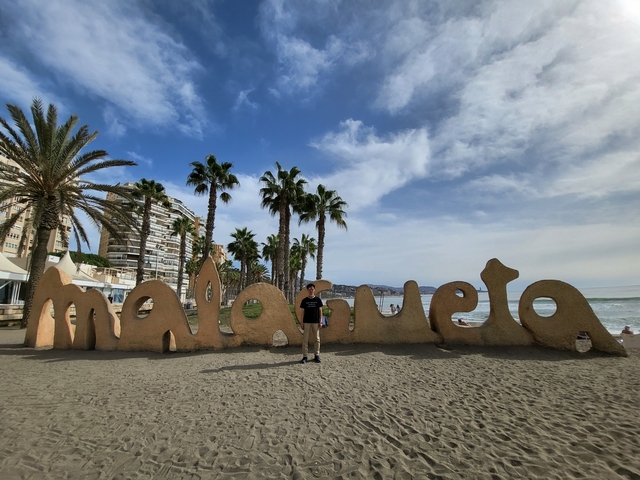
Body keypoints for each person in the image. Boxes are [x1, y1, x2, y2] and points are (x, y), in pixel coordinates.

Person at [300, 283, 323, 364]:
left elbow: (320, 311)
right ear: (307, 290)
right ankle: (305, 356)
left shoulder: (318, 300)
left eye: (312, 289)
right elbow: (302, 312)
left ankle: (317, 355)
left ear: (314, 290)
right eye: (309, 289)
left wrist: (320, 321)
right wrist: (301, 322)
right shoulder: (304, 300)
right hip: (306, 322)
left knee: (317, 339)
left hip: (316, 322)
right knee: (305, 340)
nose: (311, 290)